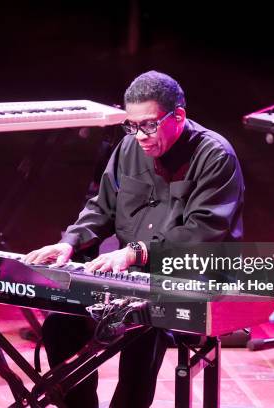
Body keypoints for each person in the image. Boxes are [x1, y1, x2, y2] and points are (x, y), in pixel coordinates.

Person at [25, 70, 244, 407]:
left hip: (192, 272)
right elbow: (101, 207)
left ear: (179, 116)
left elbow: (202, 233)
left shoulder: (216, 156)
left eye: (149, 124)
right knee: (60, 324)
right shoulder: (128, 147)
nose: (139, 135)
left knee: (144, 324)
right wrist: (70, 241)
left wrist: (136, 253)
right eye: (132, 125)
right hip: (130, 269)